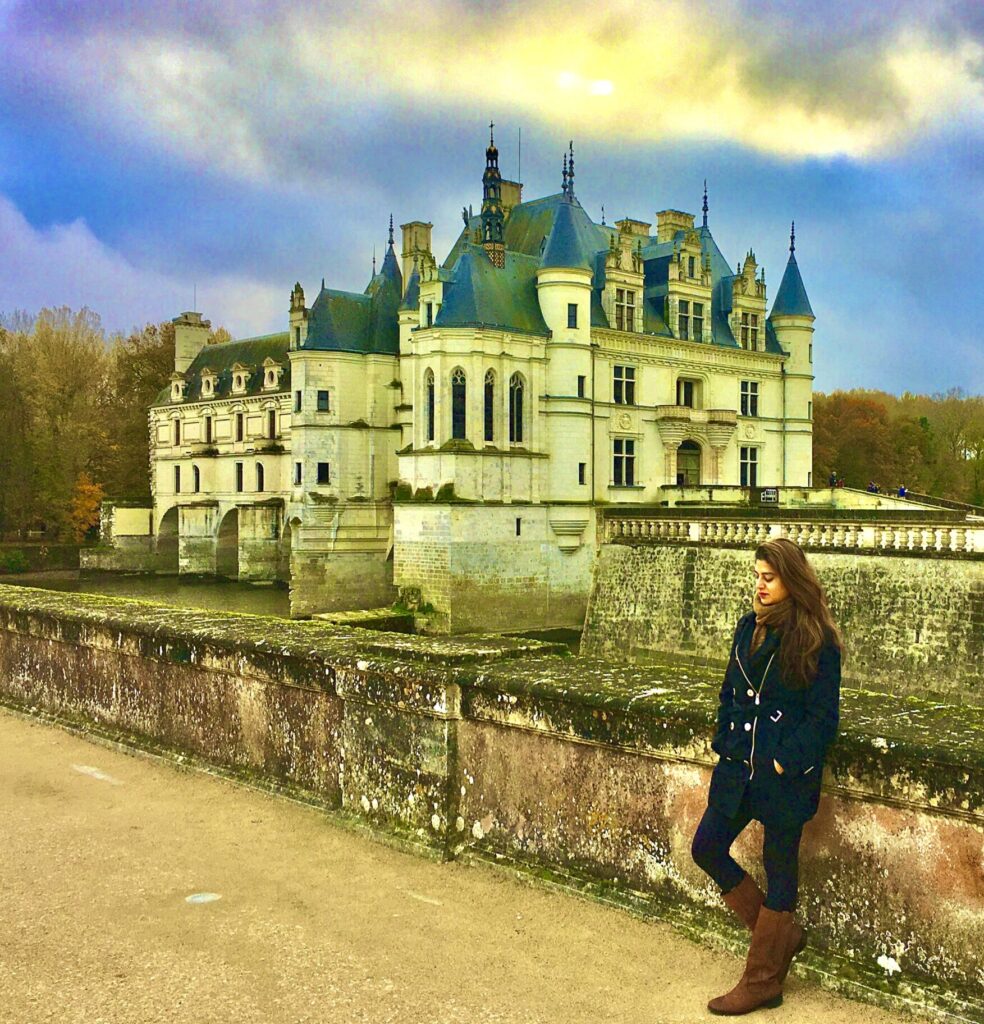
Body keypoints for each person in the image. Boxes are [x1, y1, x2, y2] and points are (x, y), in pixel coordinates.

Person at [691, 538, 842, 1015]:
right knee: (707, 847)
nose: (759, 585)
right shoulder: (746, 629)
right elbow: (729, 694)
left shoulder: (817, 640)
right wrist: (726, 738)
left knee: (780, 873)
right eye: (756, 576)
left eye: (768, 577)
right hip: (739, 769)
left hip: (782, 776)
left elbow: (823, 719)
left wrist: (783, 759)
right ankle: (781, 938)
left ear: (791, 580)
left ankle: (762, 981)